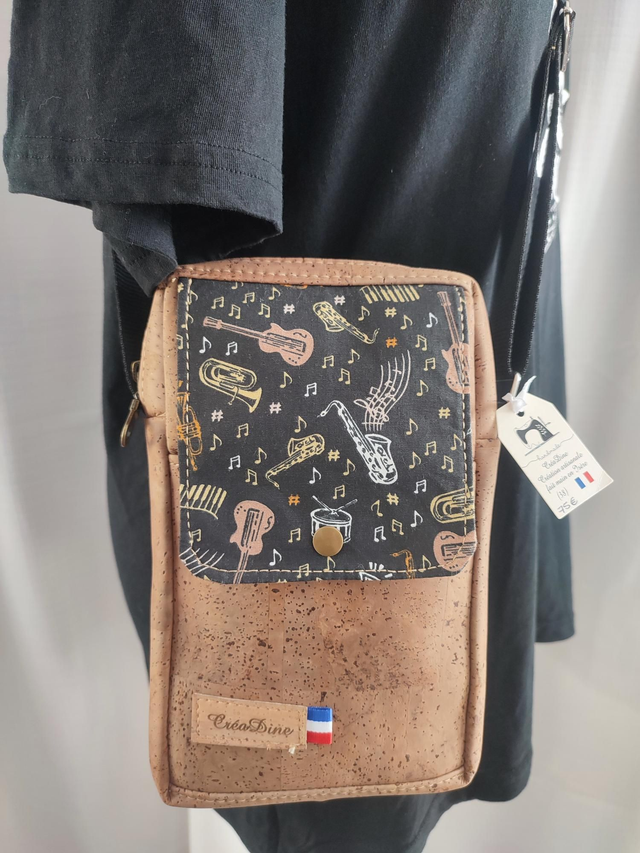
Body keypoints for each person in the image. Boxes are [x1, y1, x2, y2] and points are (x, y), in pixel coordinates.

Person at [4, 2, 574, 850]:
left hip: (462, 242)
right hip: (321, 208)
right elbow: (180, 139)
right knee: (318, 784)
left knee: (393, 733)